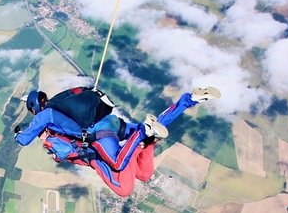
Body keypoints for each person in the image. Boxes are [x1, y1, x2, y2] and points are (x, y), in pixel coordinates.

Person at [15, 85, 221, 198]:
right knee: (144, 172)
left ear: (35, 108)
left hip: (99, 134)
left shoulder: (46, 115)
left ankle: (144, 133)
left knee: (118, 165)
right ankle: (188, 100)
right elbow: (85, 91)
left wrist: (19, 134)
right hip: (111, 122)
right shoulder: (63, 99)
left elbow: (25, 140)